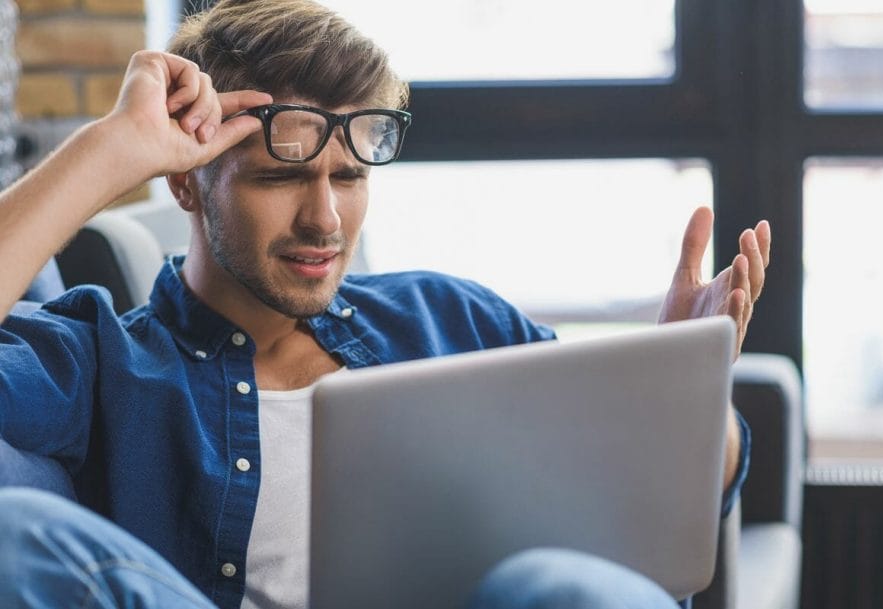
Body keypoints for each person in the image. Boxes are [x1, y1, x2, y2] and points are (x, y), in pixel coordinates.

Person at [0, 1, 771, 608]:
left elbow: (698, 495)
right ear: (185, 180)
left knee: (564, 589)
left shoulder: (449, 318)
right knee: (16, 533)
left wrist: (682, 395)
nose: (325, 221)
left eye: (349, 178)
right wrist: (112, 148)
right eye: (279, 178)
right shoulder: (103, 356)